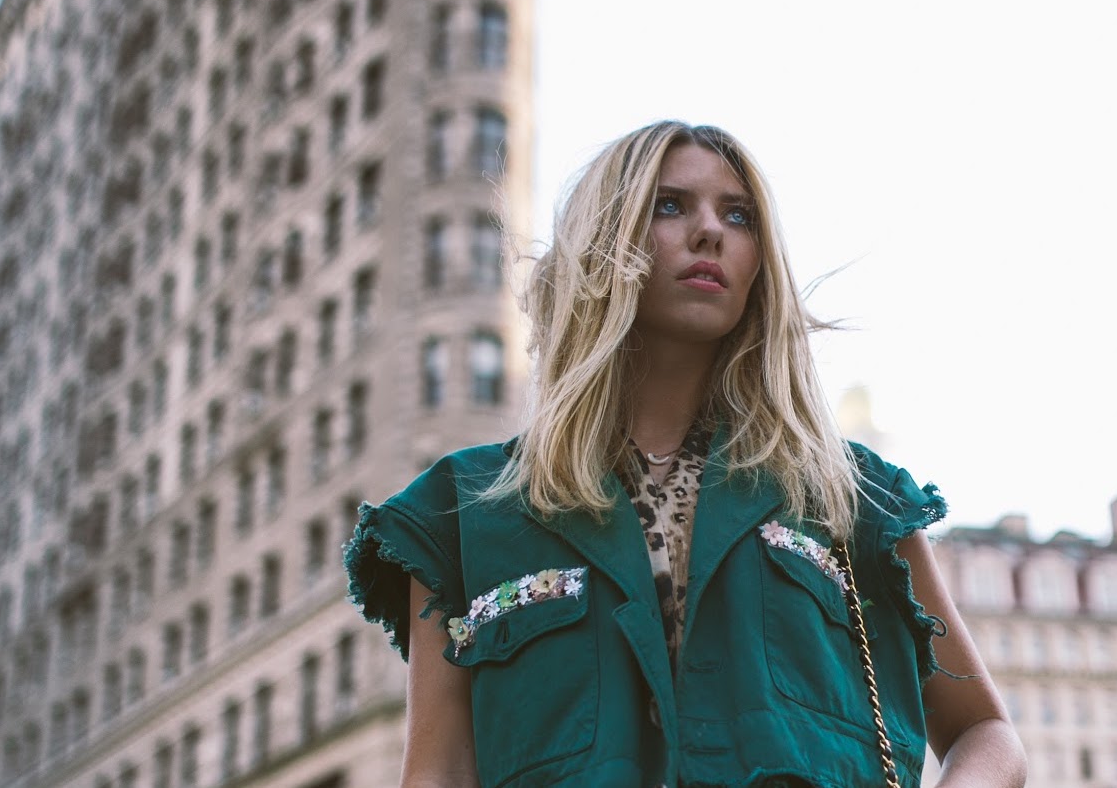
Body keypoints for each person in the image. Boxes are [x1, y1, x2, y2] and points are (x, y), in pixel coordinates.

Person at [345, 121, 1027, 787]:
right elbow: (437, 771)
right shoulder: (459, 512)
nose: (710, 231)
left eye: (739, 215)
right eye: (670, 205)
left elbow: (985, 731)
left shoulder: (853, 494)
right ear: (602, 241)